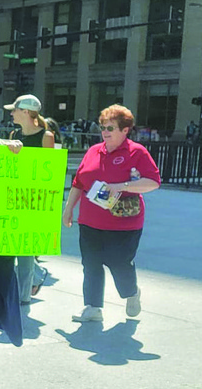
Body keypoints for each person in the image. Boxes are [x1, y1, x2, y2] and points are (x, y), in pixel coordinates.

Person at [63, 104, 160, 322]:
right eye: (103, 127)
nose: (105, 132)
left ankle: (131, 293)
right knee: (91, 263)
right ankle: (92, 307)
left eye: (110, 128)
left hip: (124, 222)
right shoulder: (93, 151)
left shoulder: (137, 152)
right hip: (90, 220)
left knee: (119, 262)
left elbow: (153, 182)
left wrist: (122, 185)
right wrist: (68, 210)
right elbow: (78, 183)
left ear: (125, 130)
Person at [4, 95, 57, 304]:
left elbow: (48, 172)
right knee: (11, 246)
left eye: (15, 110)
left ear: (26, 112)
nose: (11, 113)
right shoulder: (13, 134)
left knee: (25, 249)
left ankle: (24, 294)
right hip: (12, 197)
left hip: (33, 200)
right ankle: (34, 277)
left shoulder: (46, 137)